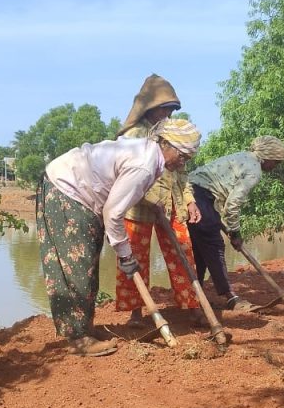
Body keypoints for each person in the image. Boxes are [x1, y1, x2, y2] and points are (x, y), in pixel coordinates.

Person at [38, 119, 202, 356]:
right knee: (76, 267)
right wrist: (125, 255)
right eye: (183, 156)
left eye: (188, 158)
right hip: (67, 190)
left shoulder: (149, 156)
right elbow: (113, 214)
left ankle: (85, 329)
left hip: (82, 195)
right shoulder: (145, 164)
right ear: (167, 145)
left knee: (88, 266)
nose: (183, 162)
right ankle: (77, 338)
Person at [115, 75, 205, 326]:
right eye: (165, 109)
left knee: (182, 254)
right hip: (138, 205)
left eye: (171, 110)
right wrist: (149, 200)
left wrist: (189, 200)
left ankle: (192, 307)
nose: (167, 114)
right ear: (150, 107)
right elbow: (127, 173)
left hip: (171, 203)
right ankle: (136, 313)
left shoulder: (174, 132)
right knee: (135, 257)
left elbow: (182, 171)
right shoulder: (134, 134)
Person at [187, 136, 284, 310]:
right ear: (268, 157)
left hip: (191, 193)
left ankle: (196, 299)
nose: (274, 167)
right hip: (200, 198)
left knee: (201, 250)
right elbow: (233, 204)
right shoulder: (254, 170)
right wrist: (235, 233)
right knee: (214, 246)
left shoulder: (243, 156)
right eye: (275, 162)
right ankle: (231, 298)